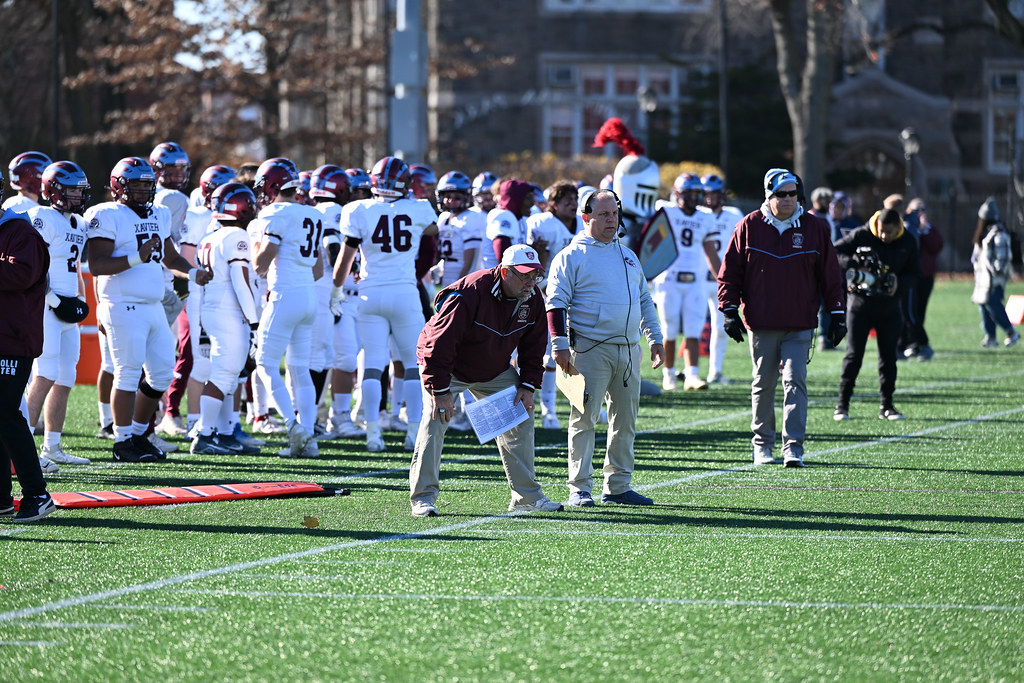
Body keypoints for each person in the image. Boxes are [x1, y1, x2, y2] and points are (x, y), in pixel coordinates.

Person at [409, 244, 564, 517]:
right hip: (447, 365)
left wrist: (528, 386)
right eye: (525, 275)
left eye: (535, 276)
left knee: (520, 416)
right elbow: (438, 345)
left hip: (492, 368)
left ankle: (526, 497)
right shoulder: (469, 293)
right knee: (435, 420)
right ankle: (422, 498)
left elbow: (535, 345)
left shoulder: (533, 298)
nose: (531, 282)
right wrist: (440, 391)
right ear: (505, 272)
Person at [85, 157, 212, 462]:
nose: (143, 192)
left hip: (153, 304)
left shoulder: (160, 213)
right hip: (121, 304)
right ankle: (122, 441)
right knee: (127, 374)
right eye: (137, 186)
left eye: (147, 186)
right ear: (119, 187)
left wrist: (194, 273)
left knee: (161, 374)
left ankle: (139, 434)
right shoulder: (106, 214)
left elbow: (170, 256)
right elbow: (97, 264)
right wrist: (136, 259)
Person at [718, 168, 845, 468]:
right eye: (781, 194)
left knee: (795, 382)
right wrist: (728, 310)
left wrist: (837, 312)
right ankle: (762, 445)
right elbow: (730, 273)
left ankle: (793, 447)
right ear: (768, 195)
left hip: (799, 322)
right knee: (763, 383)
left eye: (793, 194)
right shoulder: (748, 226)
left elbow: (830, 275)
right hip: (761, 323)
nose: (788, 199)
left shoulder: (815, 228)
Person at [546, 189, 666, 506]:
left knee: (625, 422)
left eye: (614, 213)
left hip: (628, 351)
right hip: (588, 349)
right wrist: (558, 345)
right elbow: (555, 304)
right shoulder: (571, 256)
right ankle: (579, 488)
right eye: (603, 214)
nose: (611, 219)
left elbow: (644, 300)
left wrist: (655, 338)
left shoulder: (628, 254)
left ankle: (618, 486)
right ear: (586, 218)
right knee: (584, 419)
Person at [332, 156, 439, 453]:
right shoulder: (417, 207)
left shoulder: (357, 209)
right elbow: (432, 230)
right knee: (414, 365)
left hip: (370, 294)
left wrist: (336, 289)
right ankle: (413, 431)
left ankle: (373, 434)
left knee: (373, 365)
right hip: (405, 293)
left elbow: (346, 257)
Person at [250, 157, 325, 458]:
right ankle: (308, 438)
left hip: (285, 294)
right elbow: (319, 269)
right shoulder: (312, 213)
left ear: (272, 185)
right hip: (309, 294)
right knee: (298, 368)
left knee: (266, 363)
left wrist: (256, 245)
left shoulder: (274, 213)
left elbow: (259, 265)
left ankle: (294, 428)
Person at [24, 161, 92, 467]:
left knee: (66, 376)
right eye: (72, 191)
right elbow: (35, 264)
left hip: (65, 307)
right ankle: (20, 451)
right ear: (53, 191)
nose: (78, 196)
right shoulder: (43, 217)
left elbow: (74, 266)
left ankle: (52, 447)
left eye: (80, 191)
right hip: (45, 306)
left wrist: (80, 298)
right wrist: (53, 300)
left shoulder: (77, 222)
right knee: (45, 374)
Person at [0, 171, 56, 522]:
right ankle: (2, 498)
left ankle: (37, 493)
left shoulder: (21, 231)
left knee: (6, 414)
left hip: (12, 339)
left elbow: (20, 274)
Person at [190, 182, 262, 454]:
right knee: (224, 375)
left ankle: (223, 432)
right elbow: (240, 283)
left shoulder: (212, 236)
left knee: (230, 376)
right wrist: (254, 321)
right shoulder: (236, 237)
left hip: (214, 309)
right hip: (229, 313)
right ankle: (205, 435)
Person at [832, 208, 920, 421]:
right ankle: (842, 405)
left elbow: (915, 273)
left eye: (889, 232)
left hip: (890, 307)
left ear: (898, 227)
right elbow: (834, 251)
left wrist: (899, 283)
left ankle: (887, 406)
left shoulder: (907, 240)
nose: (883, 236)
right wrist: (854, 266)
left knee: (889, 357)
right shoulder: (862, 233)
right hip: (860, 305)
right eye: (881, 231)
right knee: (853, 356)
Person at [650, 172, 720, 391]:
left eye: (696, 193)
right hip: (668, 278)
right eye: (689, 193)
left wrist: (724, 280)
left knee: (694, 329)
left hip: (696, 279)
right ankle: (668, 374)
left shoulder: (705, 216)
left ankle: (692, 375)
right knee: (668, 330)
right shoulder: (665, 211)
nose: (693, 198)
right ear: (678, 194)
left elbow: (711, 252)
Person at [527, 179, 583, 428]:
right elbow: (532, 264)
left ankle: (582, 402)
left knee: (580, 354)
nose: (573, 205)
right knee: (546, 355)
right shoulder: (542, 223)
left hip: (575, 295)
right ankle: (547, 408)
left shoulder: (583, 223)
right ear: (552, 205)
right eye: (566, 201)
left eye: (575, 200)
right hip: (542, 294)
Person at [700, 173, 744, 385]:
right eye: (706, 194)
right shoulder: (696, 215)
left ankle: (714, 371)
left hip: (722, 281)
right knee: (690, 326)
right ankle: (681, 371)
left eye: (714, 194)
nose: (710, 198)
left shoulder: (733, 214)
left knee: (720, 327)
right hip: (698, 278)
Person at [971, 197, 1020, 348]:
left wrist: (996, 271)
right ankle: (990, 336)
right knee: (983, 305)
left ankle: (1011, 332)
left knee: (993, 305)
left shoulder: (999, 234)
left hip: (993, 280)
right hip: (982, 280)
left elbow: (1003, 257)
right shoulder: (985, 235)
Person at [902, 197, 944, 361]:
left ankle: (916, 344)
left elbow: (936, 246)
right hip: (912, 277)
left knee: (919, 311)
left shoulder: (929, 229)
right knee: (909, 312)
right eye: (915, 210)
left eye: (922, 210)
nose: (919, 213)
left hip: (925, 276)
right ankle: (910, 343)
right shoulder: (907, 228)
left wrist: (925, 230)